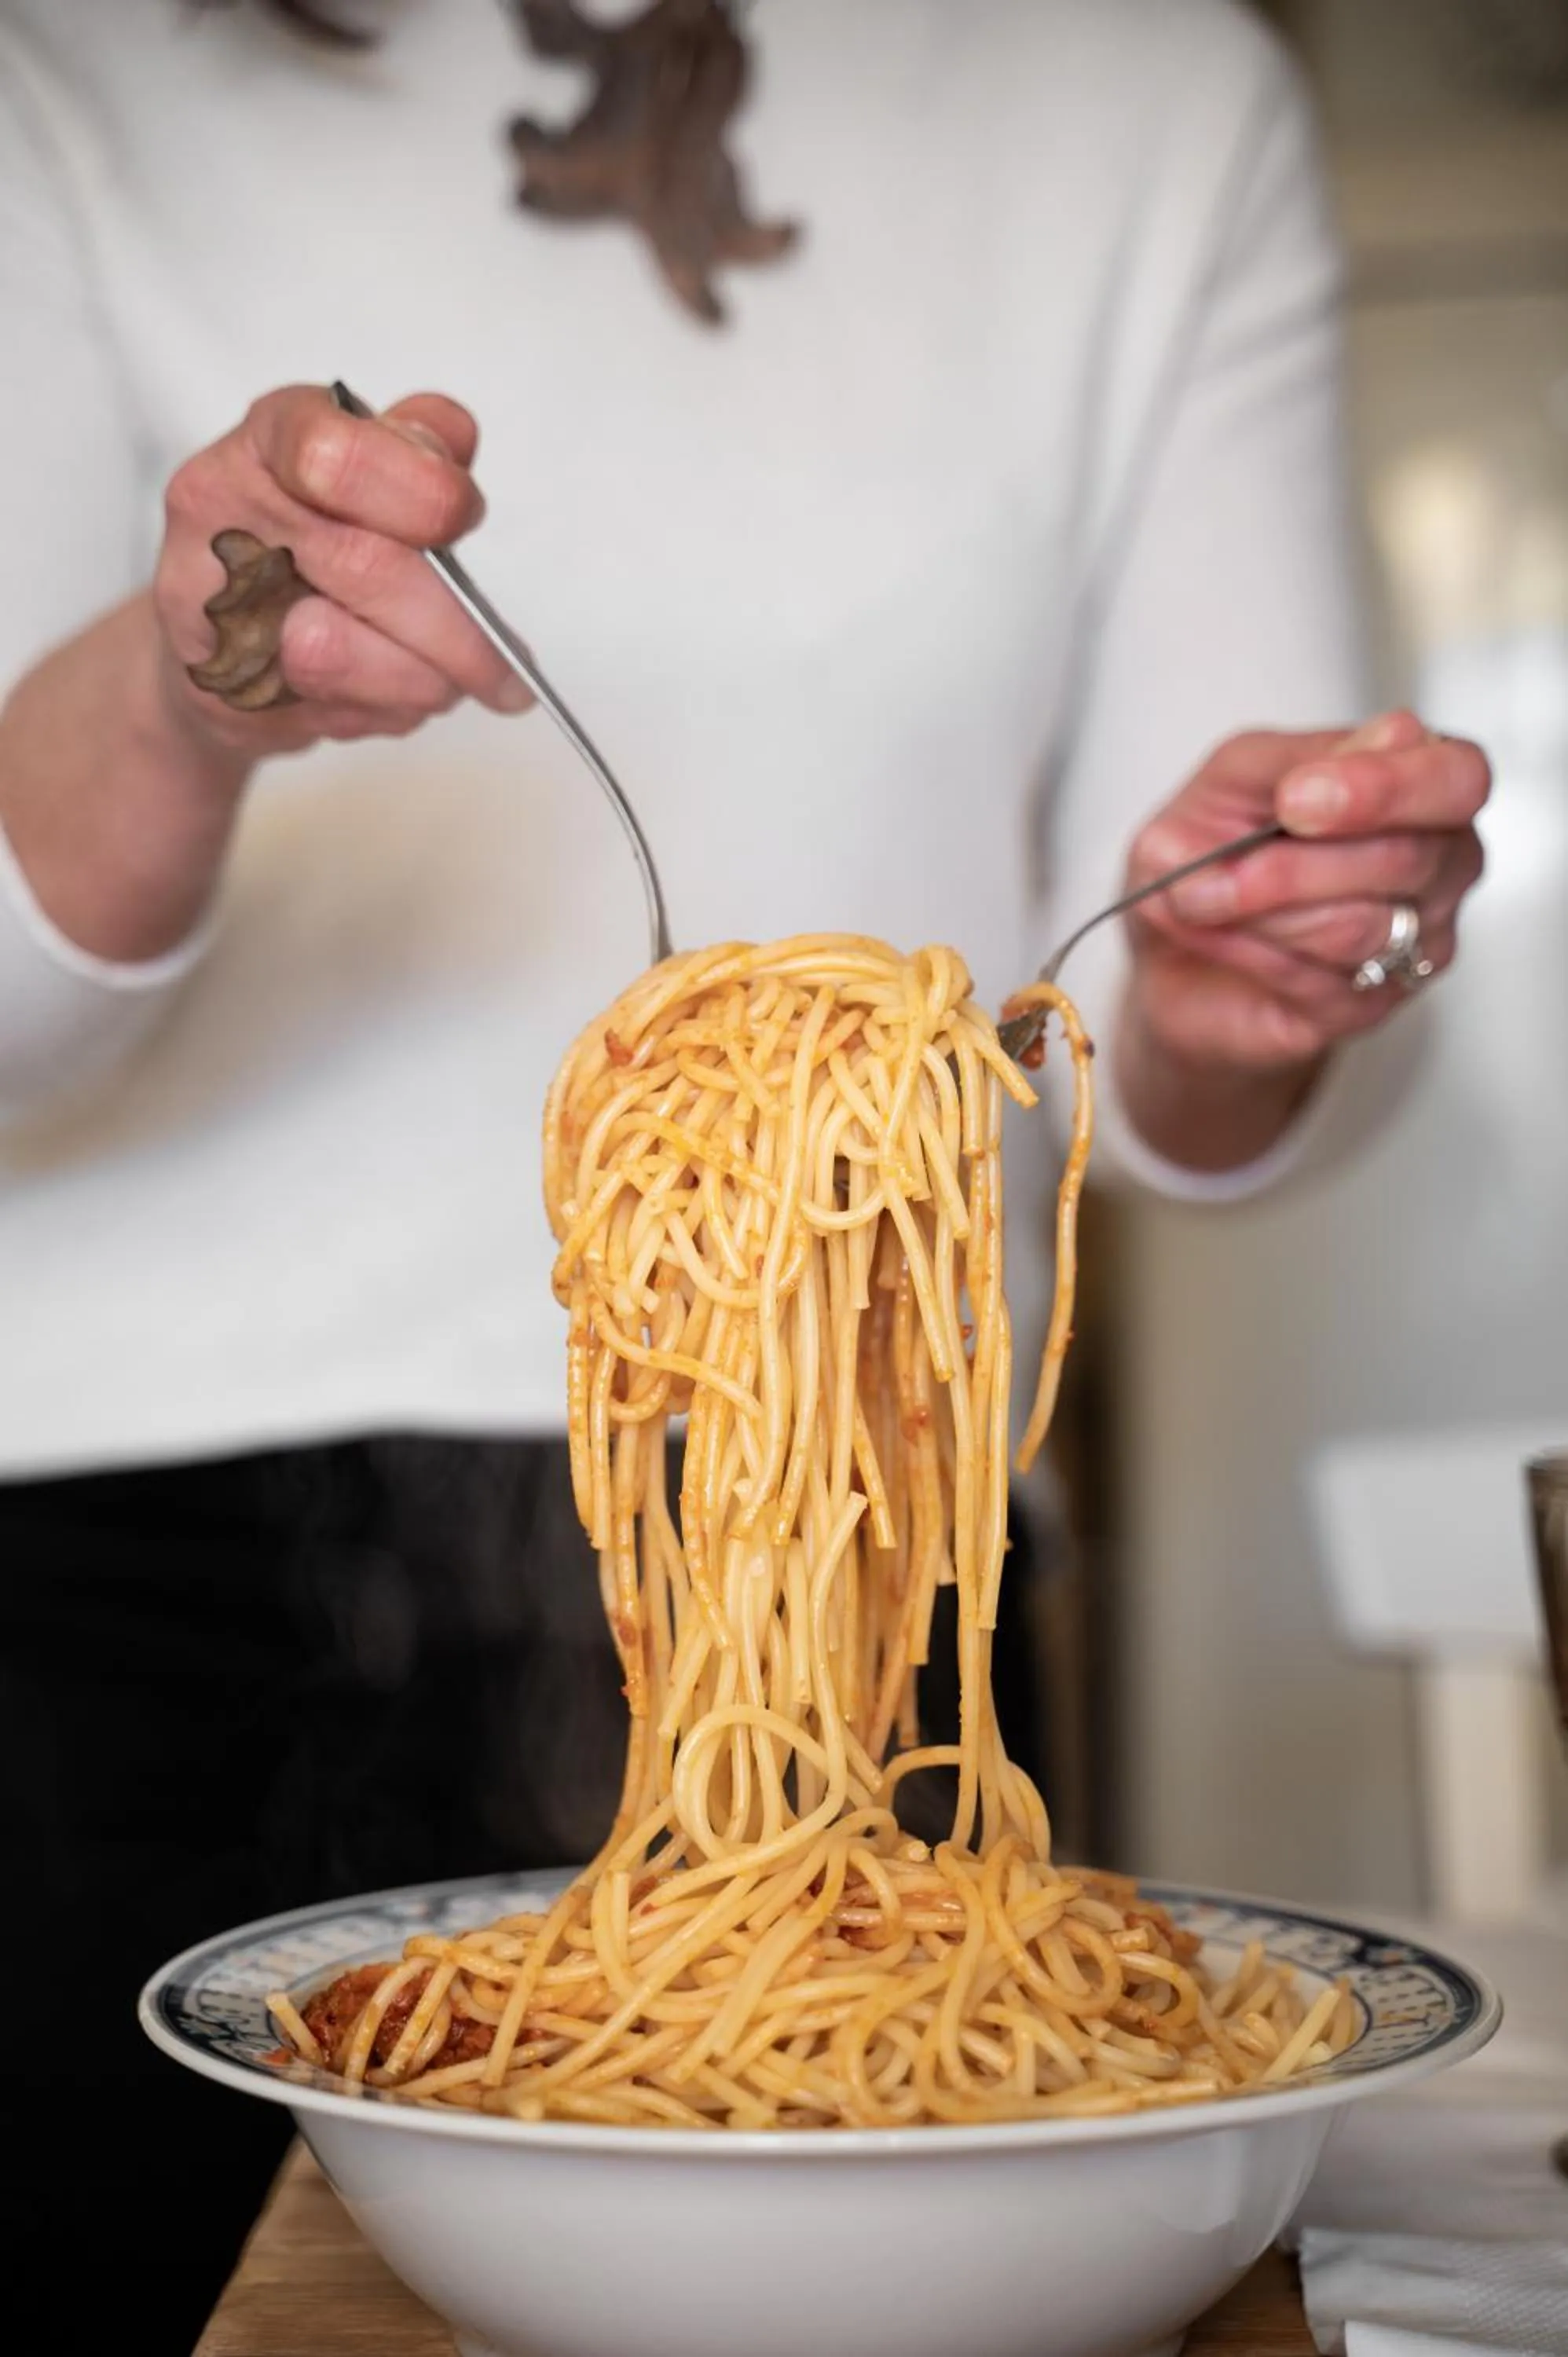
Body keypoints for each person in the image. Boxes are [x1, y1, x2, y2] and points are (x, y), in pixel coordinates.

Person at [0, 0, 1489, 2339]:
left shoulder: (1144, 83)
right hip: (139, 1591)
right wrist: (189, 699)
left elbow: (1215, 1061)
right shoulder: (67, 63)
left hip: (863, 1542)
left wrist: (1252, 983)